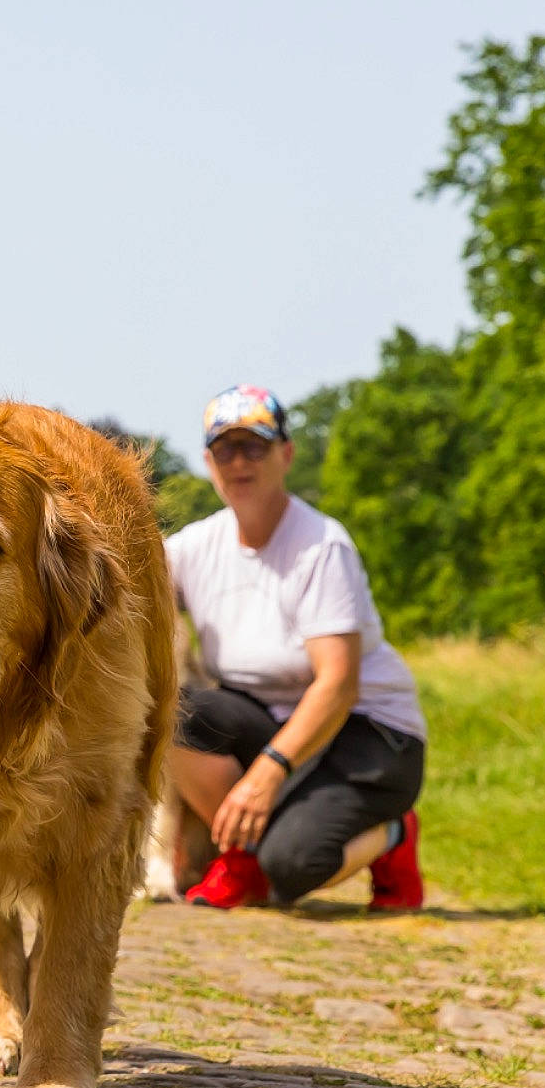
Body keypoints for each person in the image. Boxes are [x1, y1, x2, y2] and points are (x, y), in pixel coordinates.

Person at [164, 384, 426, 910]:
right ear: (208, 462)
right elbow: (120, 597)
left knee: (292, 866)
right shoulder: (194, 547)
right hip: (272, 723)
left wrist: (266, 774)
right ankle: (240, 858)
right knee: (172, 711)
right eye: (224, 450)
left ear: (286, 454)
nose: (239, 462)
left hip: (366, 734)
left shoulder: (322, 547)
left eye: (255, 446)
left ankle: (394, 833)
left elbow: (339, 684)